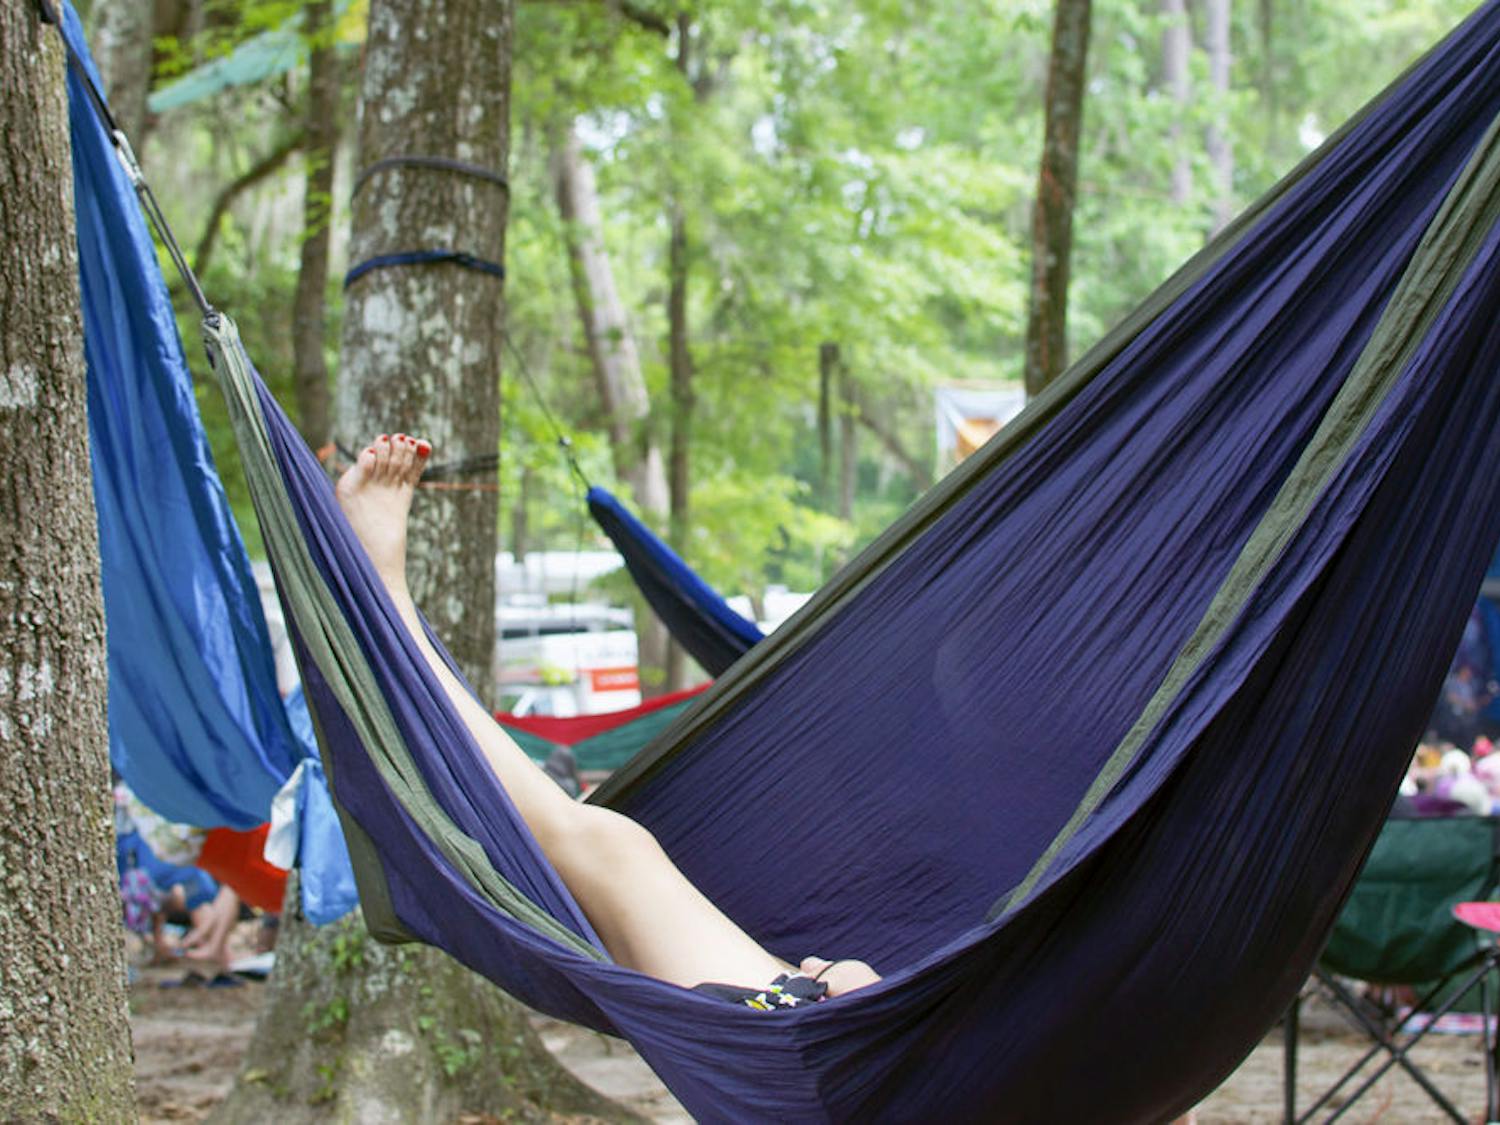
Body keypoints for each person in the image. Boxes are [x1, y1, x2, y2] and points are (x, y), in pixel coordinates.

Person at [336, 433, 881, 1009]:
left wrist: (840, 981)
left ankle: (385, 595)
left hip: (820, 1041)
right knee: (613, 845)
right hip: (838, 1038)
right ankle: (386, 600)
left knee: (604, 846)